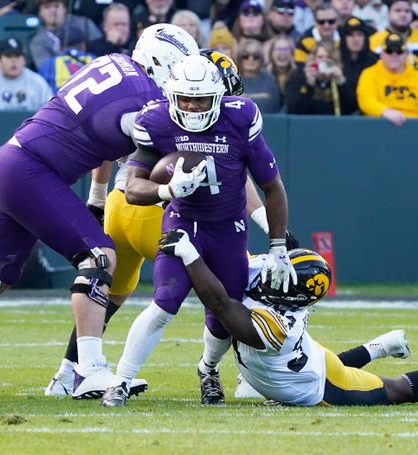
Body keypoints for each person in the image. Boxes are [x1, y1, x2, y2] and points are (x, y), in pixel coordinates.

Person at [0, 24, 200, 398]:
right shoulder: (146, 98)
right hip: (32, 170)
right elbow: (142, 147)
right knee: (99, 256)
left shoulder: (113, 64)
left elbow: (112, 139)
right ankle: (88, 370)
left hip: (10, 162)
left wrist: (96, 197)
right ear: (164, 63)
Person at [44, 48, 265, 398]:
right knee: (223, 293)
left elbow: (106, 143)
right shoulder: (166, 110)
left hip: (122, 205)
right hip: (160, 208)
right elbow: (235, 179)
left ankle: (69, 372)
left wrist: (98, 195)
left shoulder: (149, 102)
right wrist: (267, 225)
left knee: (112, 295)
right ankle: (232, 373)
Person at [100, 53, 295, 407]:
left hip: (228, 228)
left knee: (225, 309)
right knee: (165, 299)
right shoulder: (156, 121)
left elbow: (272, 186)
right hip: (183, 222)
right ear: (171, 95)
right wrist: (169, 191)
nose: (191, 106)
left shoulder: (240, 118)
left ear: (217, 96)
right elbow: (133, 188)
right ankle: (120, 382)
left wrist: (278, 246)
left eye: (200, 98)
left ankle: (208, 370)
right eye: (185, 97)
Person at [155, 229, 418, 407]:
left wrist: (188, 252)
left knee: (395, 389)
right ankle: (383, 344)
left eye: (282, 277)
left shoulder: (280, 324)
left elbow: (220, 305)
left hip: (315, 386)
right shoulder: (271, 274)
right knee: (329, 361)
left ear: (291, 295)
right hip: (301, 360)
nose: (268, 273)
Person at [357, 33, 418, 125]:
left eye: (399, 51)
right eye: (389, 51)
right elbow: (365, 101)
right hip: (380, 126)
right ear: (382, 54)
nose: (394, 55)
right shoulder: (369, 74)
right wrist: (385, 111)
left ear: (406, 54)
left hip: (416, 129)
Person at [0, 38, 54, 111]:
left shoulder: (38, 82)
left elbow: (49, 115)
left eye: (17, 56)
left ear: (24, 60)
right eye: (8, 56)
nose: (13, 60)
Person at [369, 0, 418, 77]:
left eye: (407, 11)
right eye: (398, 11)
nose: (403, 14)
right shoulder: (375, 39)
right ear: (388, 14)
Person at [29, 0, 102, 69]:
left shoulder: (84, 23)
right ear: (40, 12)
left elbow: (100, 51)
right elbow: (45, 69)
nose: (53, 11)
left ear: (64, 8)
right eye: (47, 7)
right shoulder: (38, 41)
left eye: (56, 6)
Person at [285, 43, 353, 115]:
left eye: (329, 57)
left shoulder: (343, 75)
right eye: (320, 57)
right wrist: (309, 85)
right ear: (313, 59)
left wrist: (341, 82)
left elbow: (351, 109)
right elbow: (293, 109)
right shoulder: (300, 76)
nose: (324, 61)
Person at [238, 38, 282, 113]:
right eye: (245, 56)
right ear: (239, 58)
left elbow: (276, 109)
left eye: (256, 56)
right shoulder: (232, 79)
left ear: (261, 59)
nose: (250, 59)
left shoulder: (270, 80)